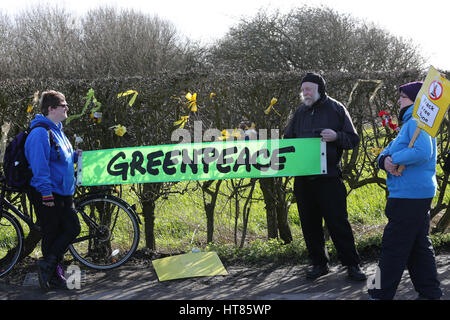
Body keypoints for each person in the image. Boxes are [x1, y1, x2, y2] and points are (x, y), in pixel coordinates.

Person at [284, 72, 366, 281]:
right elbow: (287, 141)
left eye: (309, 89)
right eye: (303, 89)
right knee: (309, 224)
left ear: (320, 89)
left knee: (338, 223)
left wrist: (336, 136)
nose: (305, 93)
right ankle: (319, 264)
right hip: (303, 179)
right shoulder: (300, 112)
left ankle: (352, 265)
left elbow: (353, 139)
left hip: (329, 178)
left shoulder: (337, 109)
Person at [368, 82, 442, 300]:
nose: (399, 100)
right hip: (413, 195)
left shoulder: (417, 122)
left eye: (403, 97)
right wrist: (385, 161)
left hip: (408, 196)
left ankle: (378, 293)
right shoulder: (410, 123)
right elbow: (387, 152)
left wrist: (394, 160)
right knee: (419, 247)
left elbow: (422, 151)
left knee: (392, 248)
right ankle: (430, 293)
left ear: (415, 100)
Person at [25, 90, 82, 290]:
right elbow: (39, 166)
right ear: (51, 109)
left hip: (64, 191)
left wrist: (74, 156)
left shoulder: (57, 129)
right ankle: (50, 269)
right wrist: (46, 193)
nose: (67, 108)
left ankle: (50, 270)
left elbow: (59, 157)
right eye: (63, 105)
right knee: (58, 231)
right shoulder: (40, 133)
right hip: (50, 192)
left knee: (65, 230)